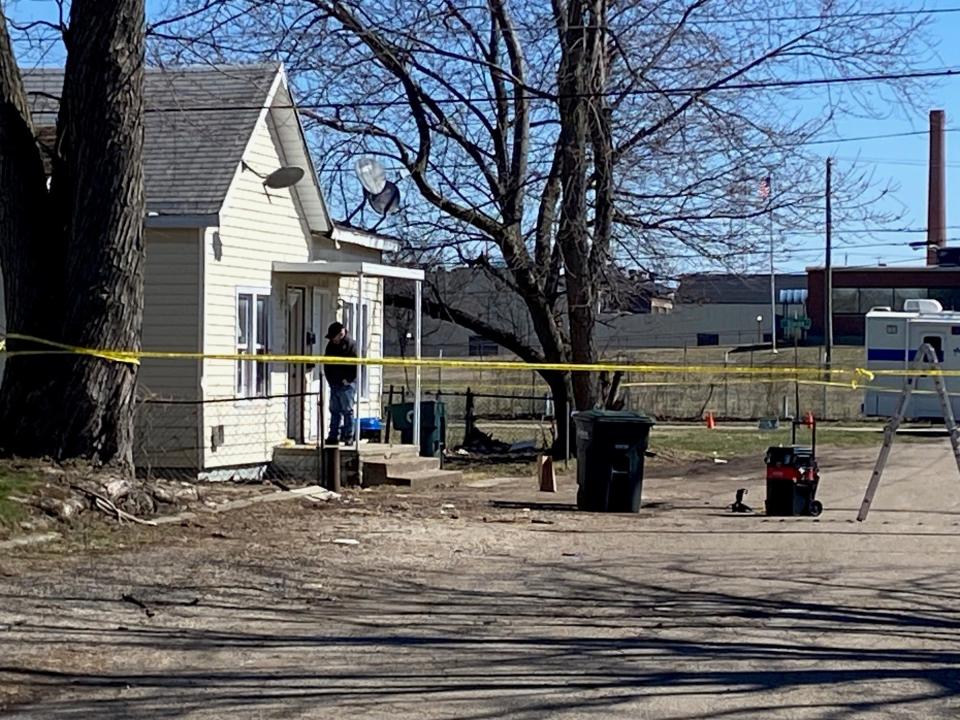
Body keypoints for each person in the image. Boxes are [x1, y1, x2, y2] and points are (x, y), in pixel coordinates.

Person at [323, 321, 358, 445]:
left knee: (347, 411)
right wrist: (331, 380)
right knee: (334, 410)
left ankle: (349, 436)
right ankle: (333, 436)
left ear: (341, 334)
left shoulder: (351, 345)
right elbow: (326, 364)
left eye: (334, 337)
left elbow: (356, 366)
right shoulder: (330, 346)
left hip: (347, 385)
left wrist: (347, 379)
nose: (333, 340)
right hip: (334, 383)